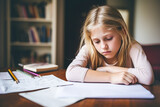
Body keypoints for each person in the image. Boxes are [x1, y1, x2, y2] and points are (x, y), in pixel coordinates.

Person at [66, 5, 154, 85]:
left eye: (108, 38)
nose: (103, 46)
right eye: (97, 41)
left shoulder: (132, 47)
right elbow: (71, 72)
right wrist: (111, 77)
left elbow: (148, 77)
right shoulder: (89, 48)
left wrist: (109, 69)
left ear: (122, 32)